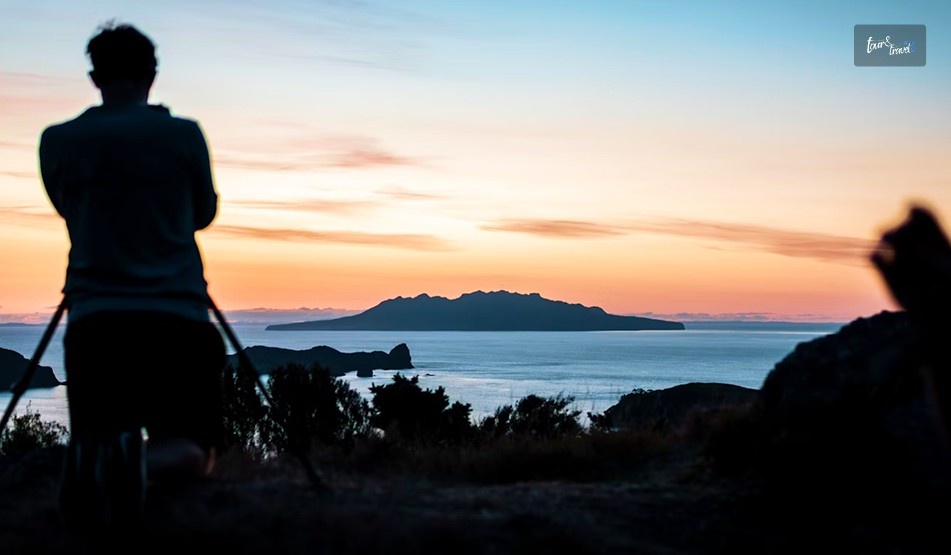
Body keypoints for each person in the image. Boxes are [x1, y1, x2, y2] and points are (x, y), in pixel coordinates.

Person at [38, 22, 225, 528]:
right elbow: (203, 213)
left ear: (95, 76)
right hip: (177, 316)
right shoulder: (183, 135)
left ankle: (100, 470)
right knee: (192, 452)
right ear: (153, 74)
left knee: (99, 440)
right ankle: (129, 469)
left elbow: (67, 209)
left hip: (96, 318)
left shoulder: (57, 141)